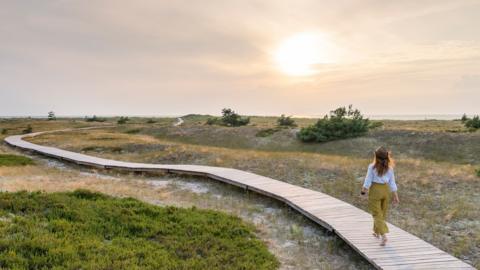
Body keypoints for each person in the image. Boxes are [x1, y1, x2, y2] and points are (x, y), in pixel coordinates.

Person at [361, 146, 399, 246]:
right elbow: (392, 183)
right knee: (382, 213)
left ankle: (384, 236)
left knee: (376, 214)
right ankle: (376, 231)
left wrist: (363, 191)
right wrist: (395, 195)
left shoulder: (372, 167)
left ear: (376, 157)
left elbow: (368, 181)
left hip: (375, 191)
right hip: (386, 191)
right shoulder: (390, 168)